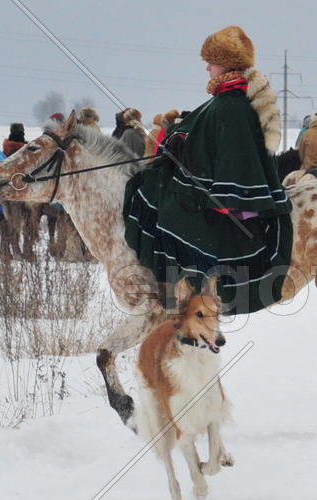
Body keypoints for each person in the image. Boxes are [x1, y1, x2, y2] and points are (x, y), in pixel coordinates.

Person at [123, 25, 292, 314]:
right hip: (206, 185)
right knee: (148, 184)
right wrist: (178, 141)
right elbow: (201, 135)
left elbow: (233, 155)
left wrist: (226, 199)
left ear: (226, 63)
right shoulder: (224, 99)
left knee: (168, 211)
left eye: (211, 62)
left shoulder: (231, 104)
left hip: (219, 198)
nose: (206, 68)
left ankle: (185, 285)